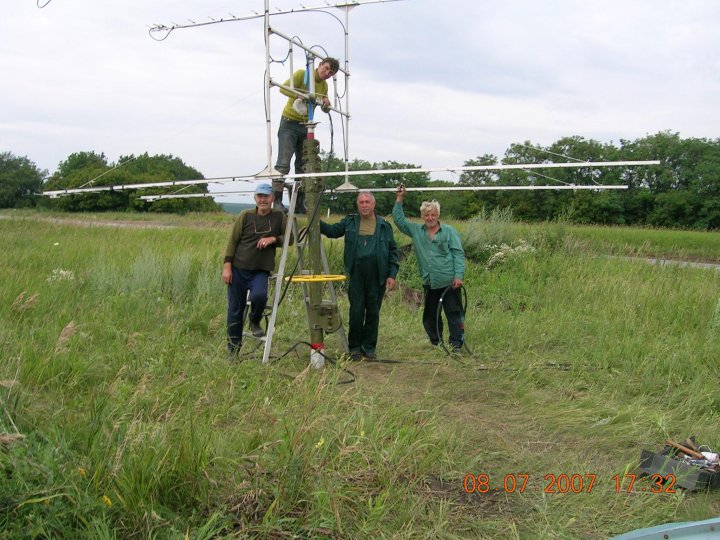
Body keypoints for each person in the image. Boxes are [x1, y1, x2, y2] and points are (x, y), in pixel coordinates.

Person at [320, 191, 399, 361]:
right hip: (356, 275)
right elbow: (332, 231)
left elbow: (393, 251)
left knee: (373, 312)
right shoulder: (350, 222)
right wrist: (315, 222)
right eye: (361, 202)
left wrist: (392, 275)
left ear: (373, 204)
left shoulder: (384, 225)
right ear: (358, 205)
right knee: (356, 312)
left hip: (377, 276)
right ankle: (354, 347)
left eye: (367, 202)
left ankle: (369, 348)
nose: (364, 205)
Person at [392, 185, 466, 353]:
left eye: (433, 214)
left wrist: (458, 276)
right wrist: (399, 199)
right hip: (430, 282)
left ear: (438, 215)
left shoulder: (449, 231)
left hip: (449, 282)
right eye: (427, 214)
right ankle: (437, 343)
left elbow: (458, 254)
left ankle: (456, 345)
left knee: (454, 314)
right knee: (430, 316)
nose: (430, 217)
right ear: (422, 216)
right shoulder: (417, 231)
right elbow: (399, 220)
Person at [222, 183, 290, 356]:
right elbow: (233, 241)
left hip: (261, 270)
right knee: (235, 310)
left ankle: (255, 320)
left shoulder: (279, 216)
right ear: (255, 198)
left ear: (272, 198)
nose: (263, 200)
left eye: (266, 196)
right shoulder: (245, 216)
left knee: (259, 296)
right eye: (260, 196)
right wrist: (227, 266)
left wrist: (273, 238)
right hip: (238, 269)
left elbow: (288, 239)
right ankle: (233, 350)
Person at [272, 57, 340, 213]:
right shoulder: (302, 75)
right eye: (326, 68)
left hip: (305, 127)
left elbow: (324, 109)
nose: (327, 73)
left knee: (302, 167)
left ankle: (298, 204)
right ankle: (277, 202)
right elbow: (282, 88)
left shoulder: (323, 85)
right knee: (283, 163)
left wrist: (326, 102)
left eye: (331, 72)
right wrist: (297, 94)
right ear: (320, 65)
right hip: (289, 123)